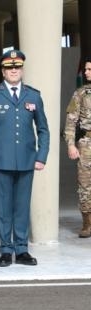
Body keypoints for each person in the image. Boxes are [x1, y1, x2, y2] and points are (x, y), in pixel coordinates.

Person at [0, 49, 49, 267]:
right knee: (4, 207)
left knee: (22, 206)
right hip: (0, 162)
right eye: (9, 68)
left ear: (22, 69)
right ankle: (6, 250)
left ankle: (22, 249)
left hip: (27, 161)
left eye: (17, 67)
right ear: (3, 71)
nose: (14, 71)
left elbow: (44, 129)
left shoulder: (33, 95)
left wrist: (41, 156)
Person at [63, 56, 91, 238]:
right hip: (87, 145)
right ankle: (87, 223)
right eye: (86, 69)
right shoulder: (80, 94)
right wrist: (71, 144)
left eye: (89, 69)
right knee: (85, 185)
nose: (86, 72)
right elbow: (71, 122)